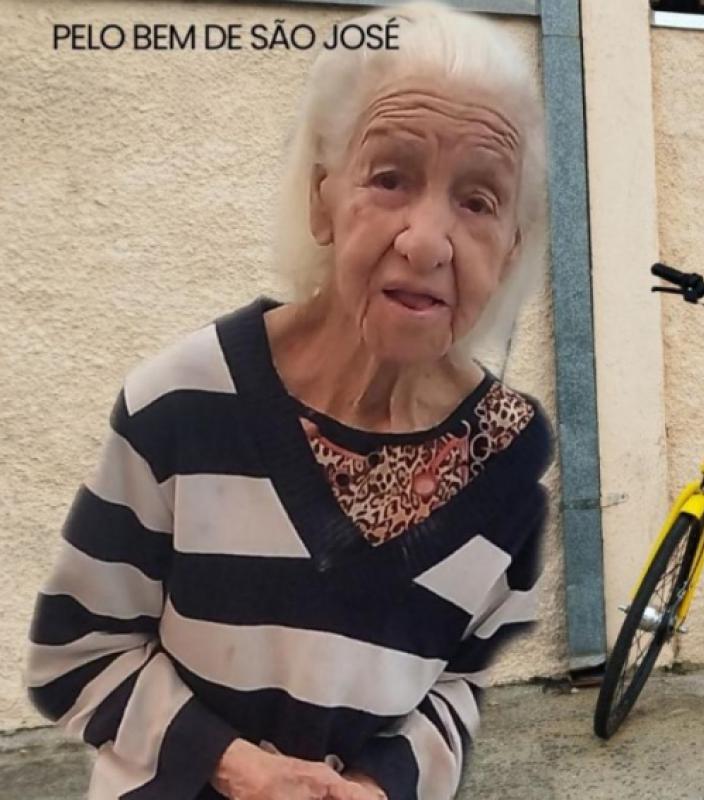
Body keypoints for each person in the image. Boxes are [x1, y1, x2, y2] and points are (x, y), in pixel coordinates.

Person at [24, 2, 551, 798]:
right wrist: (241, 771)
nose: (426, 241)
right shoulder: (183, 403)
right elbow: (77, 652)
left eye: (478, 201)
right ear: (321, 197)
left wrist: (380, 784)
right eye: (390, 178)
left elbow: (459, 681)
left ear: (510, 247)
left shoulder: (509, 461)